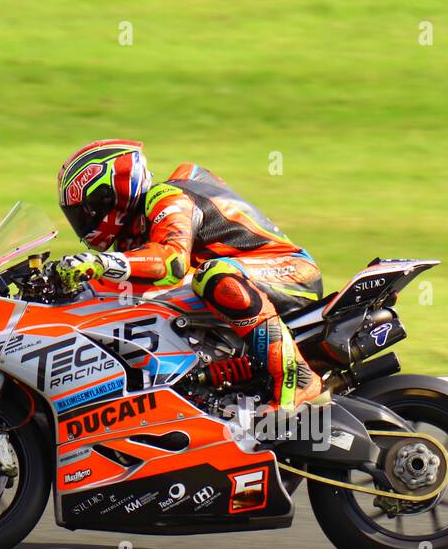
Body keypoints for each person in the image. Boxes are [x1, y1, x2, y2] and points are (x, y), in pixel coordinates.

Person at [54, 139, 326, 410]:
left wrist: (100, 263)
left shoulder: (167, 197)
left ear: (112, 195)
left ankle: (297, 375)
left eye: (86, 212)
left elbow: (171, 260)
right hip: (249, 282)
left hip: (290, 271)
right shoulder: (130, 237)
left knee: (213, 274)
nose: (83, 223)